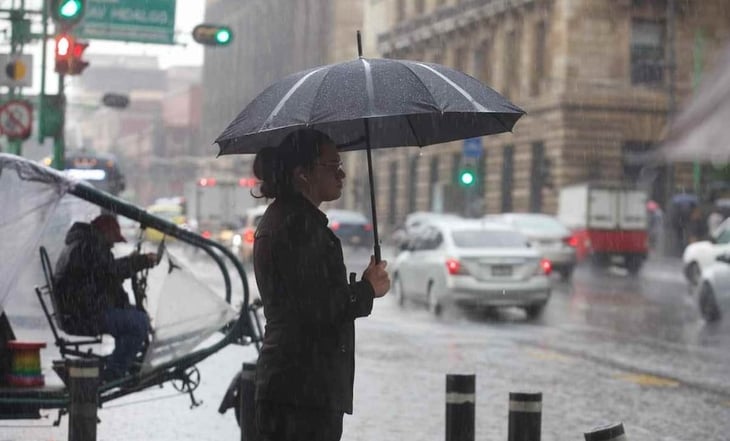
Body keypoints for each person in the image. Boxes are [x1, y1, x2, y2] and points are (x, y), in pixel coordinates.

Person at [251, 129, 390, 441]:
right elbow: (321, 309)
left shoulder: (290, 219)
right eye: (332, 165)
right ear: (303, 174)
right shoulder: (298, 228)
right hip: (303, 394)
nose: (341, 173)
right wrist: (368, 288)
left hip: (295, 387)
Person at [54, 214, 160, 381]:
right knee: (138, 323)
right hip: (84, 315)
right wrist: (140, 262)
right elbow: (111, 272)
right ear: (104, 233)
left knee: (136, 316)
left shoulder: (86, 244)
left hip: (82, 310)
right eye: (112, 240)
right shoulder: (89, 247)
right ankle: (114, 373)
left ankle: (119, 363)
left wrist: (132, 264)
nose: (112, 245)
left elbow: (105, 276)